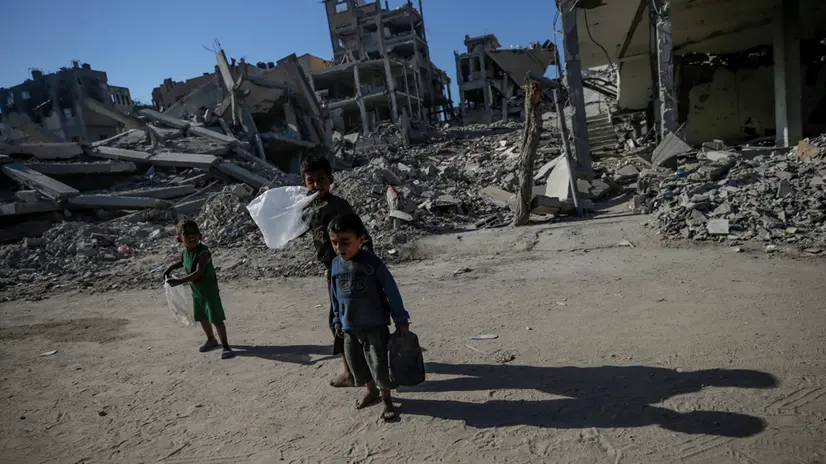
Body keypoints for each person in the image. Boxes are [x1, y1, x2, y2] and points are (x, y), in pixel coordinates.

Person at [328, 212, 410, 422]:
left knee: (379, 364)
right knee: (358, 364)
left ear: (361, 239)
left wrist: (401, 319)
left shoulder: (372, 264)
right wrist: (337, 319)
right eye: (334, 242)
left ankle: (387, 399)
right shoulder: (335, 265)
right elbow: (334, 296)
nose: (339, 248)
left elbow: (392, 292)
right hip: (349, 327)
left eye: (345, 242)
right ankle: (371, 390)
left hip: (374, 326)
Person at [301, 155, 373, 387]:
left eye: (321, 180)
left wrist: (365, 262)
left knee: (340, 321)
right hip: (332, 270)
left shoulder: (338, 206)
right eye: (311, 181)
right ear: (304, 183)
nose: (316, 185)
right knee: (342, 319)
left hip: (345, 270)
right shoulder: (310, 207)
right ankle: (358, 367)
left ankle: (351, 371)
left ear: (331, 180)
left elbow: (361, 234)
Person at [164, 219, 235, 359]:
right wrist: (170, 268)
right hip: (197, 293)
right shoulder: (185, 252)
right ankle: (211, 339)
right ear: (180, 238)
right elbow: (184, 262)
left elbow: (199, 272)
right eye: (187, 233)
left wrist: (179, 281)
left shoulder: (203, 252)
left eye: (194, 233)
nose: (191, 236)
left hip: (209, 292)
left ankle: (226, 346)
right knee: (203, 318)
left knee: (216, 319)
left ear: (200, 236)